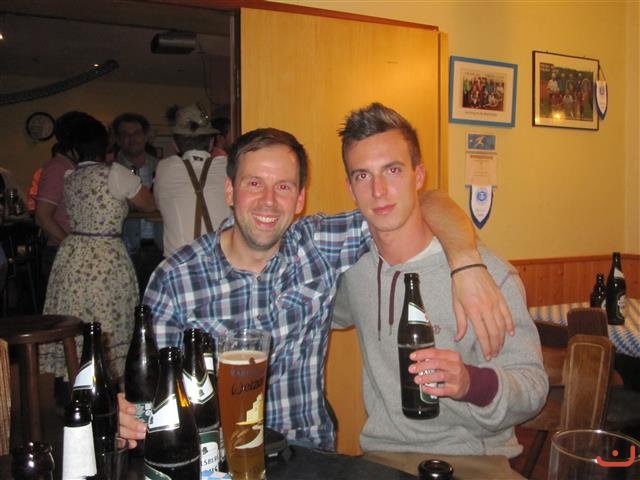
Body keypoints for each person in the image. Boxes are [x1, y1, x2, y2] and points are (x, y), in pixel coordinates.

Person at [118, 127, 513, 451]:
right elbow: (150, 395)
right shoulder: (176, 279)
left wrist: (466, 262)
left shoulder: (319, 245)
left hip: (307, 456)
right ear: (230, 192)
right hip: (217, 460)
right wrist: (128, 418)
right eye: (254, 183)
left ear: (300, 199)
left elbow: (421, 201)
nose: (268, 201)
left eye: (284, 187)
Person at [330, 103, 547, 471]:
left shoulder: (487, 277)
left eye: (393, 170)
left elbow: (533, 388)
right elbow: (312, 312)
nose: (379, 190)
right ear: (350, 188)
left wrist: (470, 382)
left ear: (418, 176)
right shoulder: (355, 271)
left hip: (474, 460)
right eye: (363, 176)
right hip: (383, 458)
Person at [41, 113, 156, 390]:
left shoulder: (71, 176)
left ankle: (76, 382)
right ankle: (109, 386)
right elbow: (149, 203)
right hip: (106, 255)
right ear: (107, 144)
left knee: (78, 314)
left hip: (73, 253)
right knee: (110, 318)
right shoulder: (115, 173)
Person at [153, 105, 231, 257]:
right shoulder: (229, 167)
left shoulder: (164, 168)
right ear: (211, 143)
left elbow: (158, 205)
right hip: (221, 261)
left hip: (177, 264)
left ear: (175, 144)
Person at [36, 112, 92, 289]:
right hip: (61, 251)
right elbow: (42, 217)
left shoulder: (71, 166)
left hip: (68, 250)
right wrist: (73, 247)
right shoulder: (57, 168)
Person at [113, 112, 163, 295]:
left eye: (136, 133)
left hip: (158, 247)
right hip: (124, 249)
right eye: (125, 134)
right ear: (118, 139)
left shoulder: (162, 167)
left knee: (153, 301)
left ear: (146, 136)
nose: (131, 139)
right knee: (128, 300)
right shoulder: (111, 169)